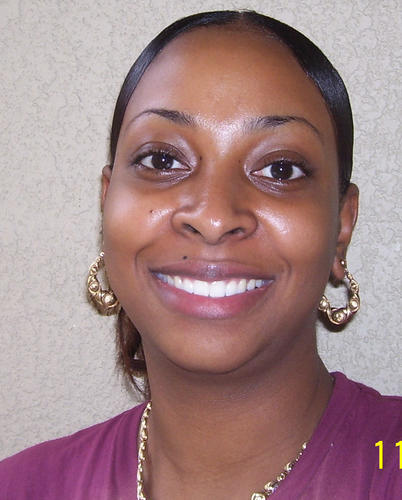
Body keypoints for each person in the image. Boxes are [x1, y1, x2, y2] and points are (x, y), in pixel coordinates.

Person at [1, 9, 401, 500]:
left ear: (341, 224)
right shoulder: (20, 487)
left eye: (280, 169)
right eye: (162, 160)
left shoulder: (393, 458)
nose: (213, 216)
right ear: (107, 206)